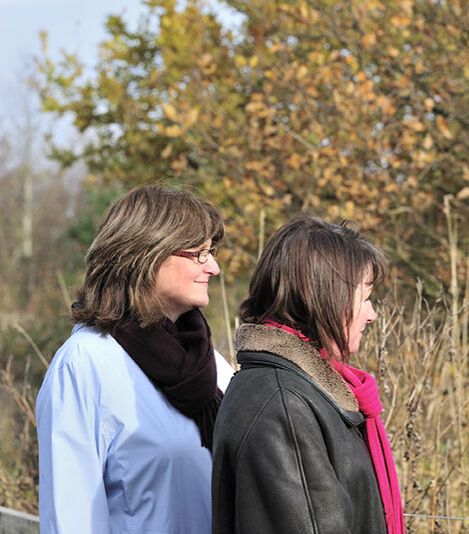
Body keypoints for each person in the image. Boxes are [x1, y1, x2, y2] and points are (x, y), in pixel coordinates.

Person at [35, 185, 234, 534]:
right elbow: (71, 519)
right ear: (146, 253)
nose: (214, 267)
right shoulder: (85, 364)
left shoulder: (212, 365)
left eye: (212, 252)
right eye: (199, 253)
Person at [211, 214, 404, 534]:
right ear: (325, 298)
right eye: (365, 298)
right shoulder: (284, 406)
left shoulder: (301, 391)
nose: (371, 315)